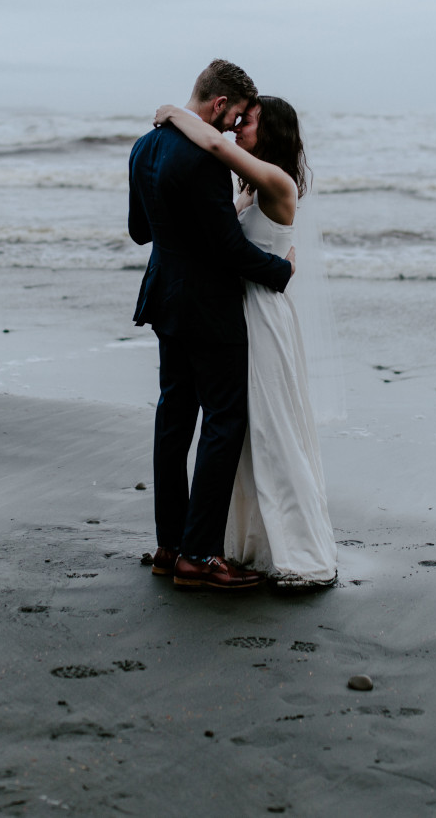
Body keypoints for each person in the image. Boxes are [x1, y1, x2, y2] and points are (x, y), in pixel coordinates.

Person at [152, 95, 339, 587]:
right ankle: (239, 542)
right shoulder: (253, 193)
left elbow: (213, 142)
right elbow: (222, 237)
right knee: (244, 434)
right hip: (235, 317)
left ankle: (297, 544)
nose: (238, 128)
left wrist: (175, 114)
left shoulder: (276, 183)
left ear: (272, 131)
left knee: (272, 428)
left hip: (264, 319)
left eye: (249, 122)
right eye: (239, 120)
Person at [128, 60, 295, 590]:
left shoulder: (144, 147)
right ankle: (199, 555)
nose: (233, 128)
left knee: (173, 420)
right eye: (238, 115)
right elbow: (226, 247)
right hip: (209, 308)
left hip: (165, 300)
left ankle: (168, 546)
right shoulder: (204, 159)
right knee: (224, 422)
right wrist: (280, 271)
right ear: (220, 104)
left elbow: (139, 231)